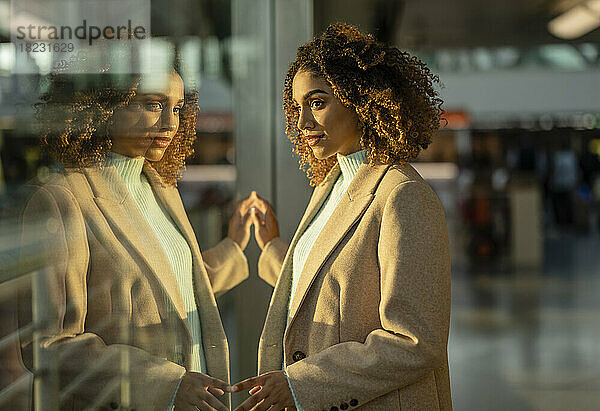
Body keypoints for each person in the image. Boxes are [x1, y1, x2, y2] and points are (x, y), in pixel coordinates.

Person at [231, 23, 452, 410]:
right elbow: (333, 288)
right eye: (297, 107)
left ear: (363, 100)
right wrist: (274, 249)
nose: (302, 124)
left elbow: (416, 342)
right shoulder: (331, 186)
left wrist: (300, 385)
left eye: (317, 102)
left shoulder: (403, 196)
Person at [18, 67, 253, 410]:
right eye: (153, 104)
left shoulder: (160, 187)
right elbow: (49, 345)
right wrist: (166, 386)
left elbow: (165, 284)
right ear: (104, 106)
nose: (170, 123)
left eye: (177, 108)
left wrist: (233, 246)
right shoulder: (63, 199)